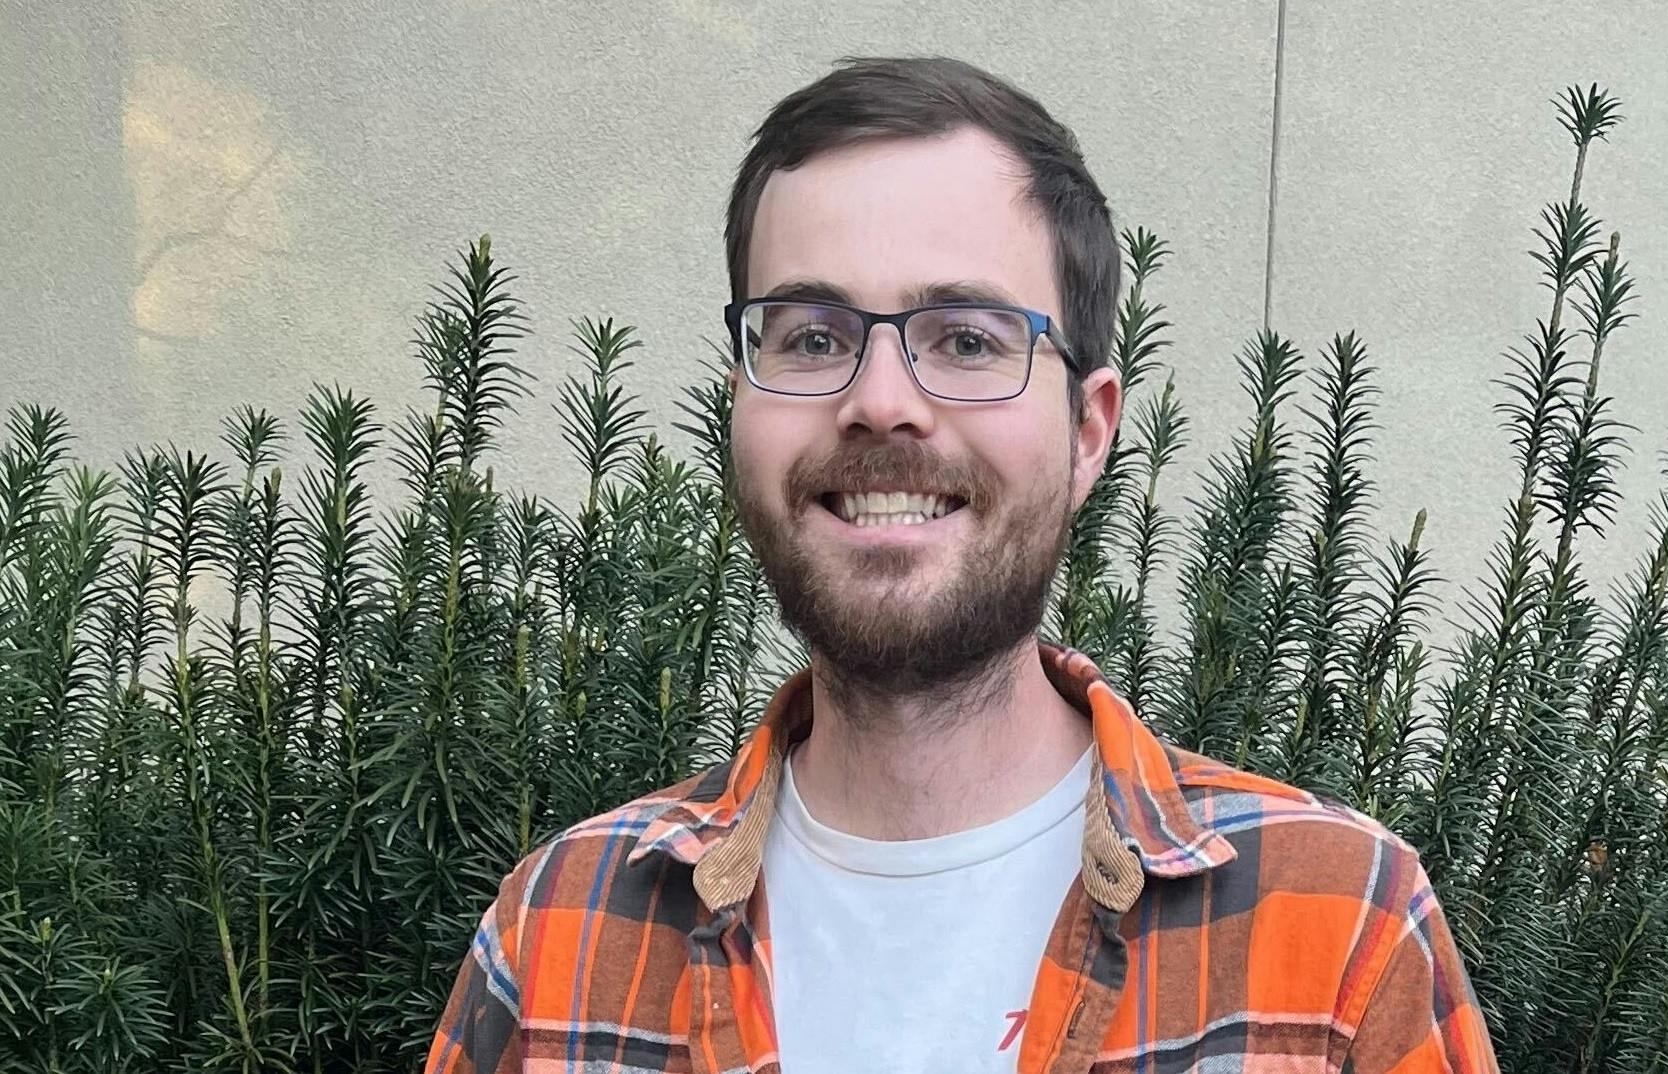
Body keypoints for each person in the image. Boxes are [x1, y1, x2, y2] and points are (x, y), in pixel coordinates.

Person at [425, 55, 1497, 1074]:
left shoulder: (1338, 929)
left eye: (967, 339)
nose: (880, 400)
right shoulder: (559, 934)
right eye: (808, 336)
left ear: (1087, 432)